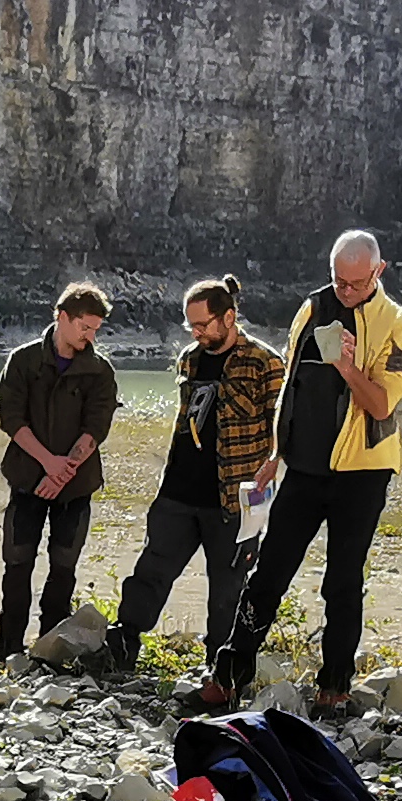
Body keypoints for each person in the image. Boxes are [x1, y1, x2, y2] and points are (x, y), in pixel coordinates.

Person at [208, 232, 402, 713]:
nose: (344, 292)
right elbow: (293, 390)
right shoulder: (312, 309)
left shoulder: (400, 328)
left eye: (355, 283)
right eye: (338, 281)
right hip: (303, 468)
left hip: (362, 474)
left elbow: (383, 404)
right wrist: (274, 456)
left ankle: (335, 685)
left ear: (379, 272)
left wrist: (347, 367)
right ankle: (228, 676)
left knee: (342, 581)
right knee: (267, 574)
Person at [107, 277, 279, 677]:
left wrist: (271, 467)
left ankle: (221, 670)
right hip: (178, 492)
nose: (197, 333)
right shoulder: (189, 357)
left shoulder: (264, 362)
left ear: (229, 316)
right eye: (192, 327)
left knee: (228, 588)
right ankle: (123, 644)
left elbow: (281, 427)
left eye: (203, 325)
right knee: (151, 570)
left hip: (233, 498)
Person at [0, 284, 118, 664]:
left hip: (76, 486)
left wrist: (63, 470)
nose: (90, 337)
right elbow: (11, 417)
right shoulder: (23, 361)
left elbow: (97, 426)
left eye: (95, 330)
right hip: (28, 478)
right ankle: (8, 643)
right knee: (18, 561)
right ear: (62, 318)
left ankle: (51, 646)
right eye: (84, 328)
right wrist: (48, 463)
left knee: (64, 565)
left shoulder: (100, 371)